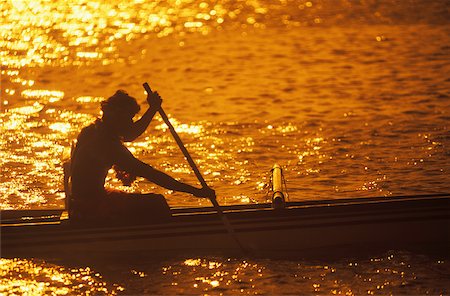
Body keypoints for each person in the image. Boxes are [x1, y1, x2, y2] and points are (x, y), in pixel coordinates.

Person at [70, 89, 215, 224]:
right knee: (156, 203)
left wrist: (152, 109)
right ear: (118, 118)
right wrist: (195, 191)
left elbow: (130, 133)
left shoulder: (91, 130)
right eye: (129, 118)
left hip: (78, 202)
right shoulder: (108, 146)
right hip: (89, 208)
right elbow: (150, 174)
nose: (131, 122)